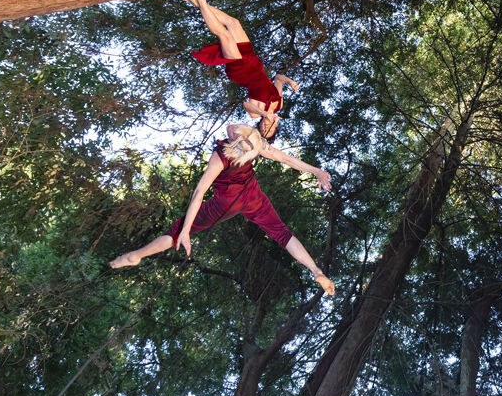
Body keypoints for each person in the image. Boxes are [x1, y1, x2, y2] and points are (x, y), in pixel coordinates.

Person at [109, 125, 335, 295]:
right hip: (253, 199)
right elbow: (286, 158)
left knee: (178, 229)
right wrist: (315, 171)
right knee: (281, 233)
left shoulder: (221, 156)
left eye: (237, 130)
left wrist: (187, 229)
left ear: (237, 140)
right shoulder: (256, 145)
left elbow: (199, 192)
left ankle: (137, 255)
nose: (234, 127)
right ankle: (315, 270)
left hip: (224, 204)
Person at [184, 0, 299, 140]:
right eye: (270, 130)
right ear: (276, 126)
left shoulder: (254, 113)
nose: (266, 126)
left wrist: (265, 113)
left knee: (224, 34)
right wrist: (290, 81)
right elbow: (278, 79)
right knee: (233, 23)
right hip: (252, 62)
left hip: (241, 71)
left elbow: (246, 104)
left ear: (259, 126)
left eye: (263, 130)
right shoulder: (279, 104)